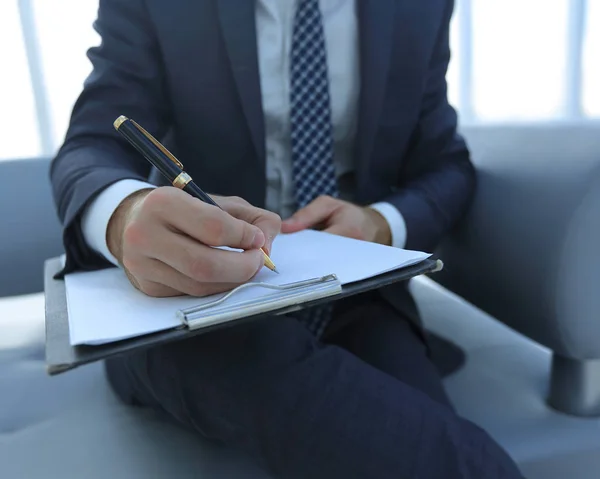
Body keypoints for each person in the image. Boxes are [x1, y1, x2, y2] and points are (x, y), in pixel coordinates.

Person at [50, 0, 524, 477]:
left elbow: (447, 165)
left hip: (357, 297)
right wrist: (124, 214)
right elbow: (92, 145)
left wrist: (380, 223)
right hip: (192, 302)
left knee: (422, 436)